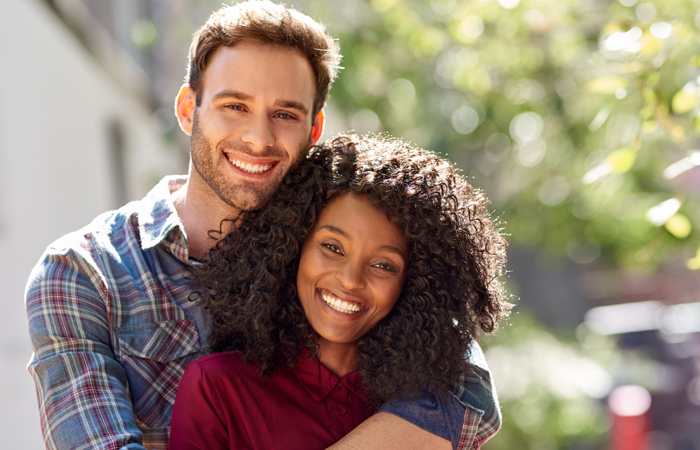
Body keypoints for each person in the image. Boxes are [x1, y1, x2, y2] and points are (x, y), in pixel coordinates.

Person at [25, 2, 501, 450]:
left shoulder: (339, 246)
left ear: (314, 130)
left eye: (285, 114)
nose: (259, 138)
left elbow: (467, 395)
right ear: (189, 110)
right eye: (235, 106)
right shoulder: (85, 273)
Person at [167, 134, 511, 450]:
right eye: (332, 246)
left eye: (384, 265)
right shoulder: (216, 388)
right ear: (292, 245)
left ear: (416, 283)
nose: (350, 279)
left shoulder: (429, 407)